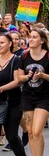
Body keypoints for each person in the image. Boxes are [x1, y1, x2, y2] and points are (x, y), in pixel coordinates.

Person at [0, 33, 26, 156]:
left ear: (10, 44)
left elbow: (17, 81)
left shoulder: (17, 60)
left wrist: (1, 89)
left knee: (11, 136)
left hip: (13, 103)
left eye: (2, 42)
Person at [17, 28, 49, 156]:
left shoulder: (47, 55)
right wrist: (27, 77)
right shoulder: (24, 55)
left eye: (34, 37)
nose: (31, 39)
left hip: (44, 97)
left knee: (37, 131)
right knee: (30, 132)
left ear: (42, 41)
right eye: (30, 37)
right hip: (27, 96)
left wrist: (42, 76)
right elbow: (19, 77)